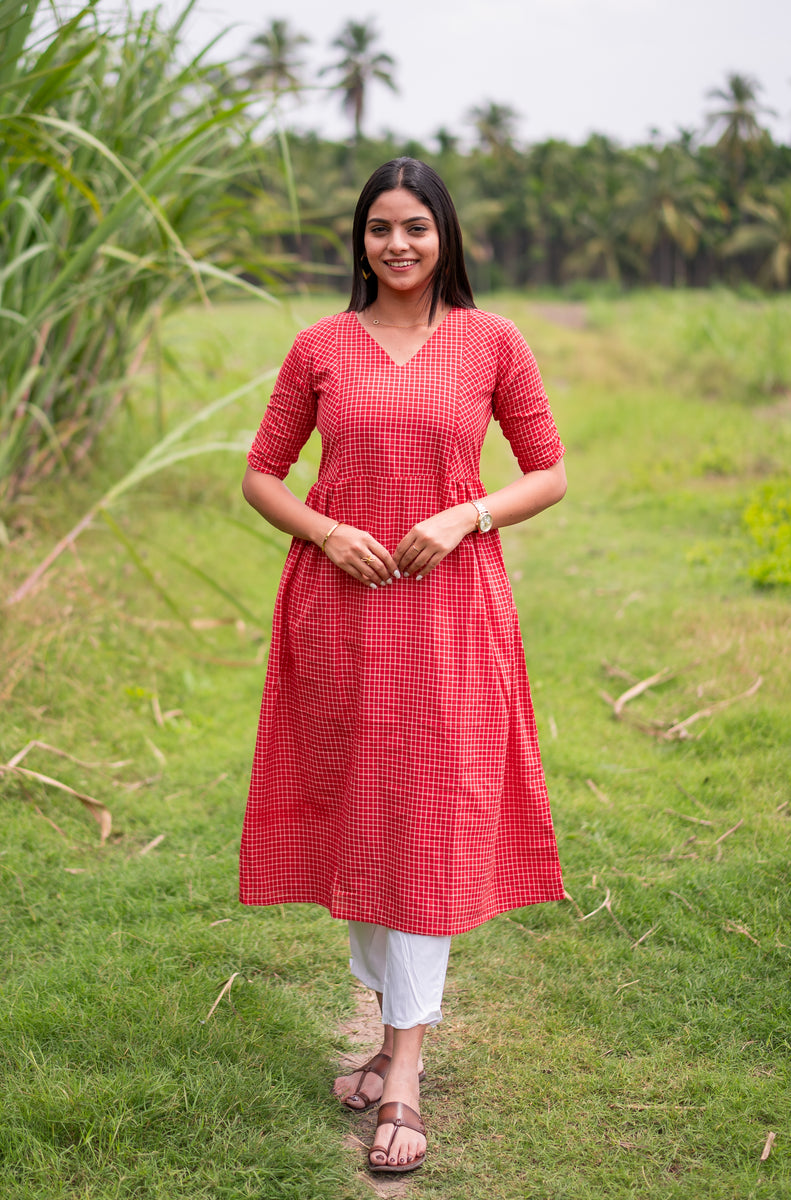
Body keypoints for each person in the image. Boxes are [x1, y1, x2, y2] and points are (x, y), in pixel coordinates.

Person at [239, 158, 567, 1175]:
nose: (396, 246)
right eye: (379, 228)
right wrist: (328, 532)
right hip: (338, 614)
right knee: (363, 823)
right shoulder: (319, 348)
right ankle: (385, 1042)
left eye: (415, 228)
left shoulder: (489, 342)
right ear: (360, 241)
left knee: (422, 823)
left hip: (448, 616)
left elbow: (548, 470)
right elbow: (259, 475)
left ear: (444, 237)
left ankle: (408, 1073)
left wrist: (464, 512)